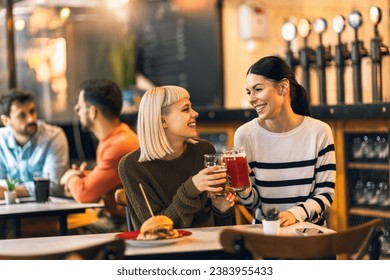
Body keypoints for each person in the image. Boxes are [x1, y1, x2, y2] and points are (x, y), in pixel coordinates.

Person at [234, 56, 336, 227]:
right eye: (248, 92)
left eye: (258, 89)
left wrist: (294, 214)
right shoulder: (245, 135)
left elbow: (325, 194)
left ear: (283, 87)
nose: (251, 99)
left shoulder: (320, 132)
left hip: (309, 235)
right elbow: (253, 203)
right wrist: (242, 185)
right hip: (266, 235)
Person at [119, 85, 235, 230]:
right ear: (162, 121)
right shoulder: (132, 165)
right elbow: (153, 230)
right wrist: (191, 188)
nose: (195, 113)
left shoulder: (204, 150)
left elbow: (221, 228)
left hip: (207, 246)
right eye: (186, 109)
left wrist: (222, 209)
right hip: (164, 251)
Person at [60, 79, 139, 234]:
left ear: (92, 111)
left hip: (126, 222)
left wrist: (70, 176)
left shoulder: (120, 145)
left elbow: (84, 194)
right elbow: (110, 180)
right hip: (114, 216)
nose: (78, 113)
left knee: (62, 233)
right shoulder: (114, 138)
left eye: (79, 108)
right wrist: (86, 176)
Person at [0, 89, 69, 199]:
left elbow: (53, 186)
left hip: (47, 211)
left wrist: (11, 190)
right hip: (8, 211)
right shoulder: (1, 140)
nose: (31, 119)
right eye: (22, 115)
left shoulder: (54, 136)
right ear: (6, 121)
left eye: (32, 111)